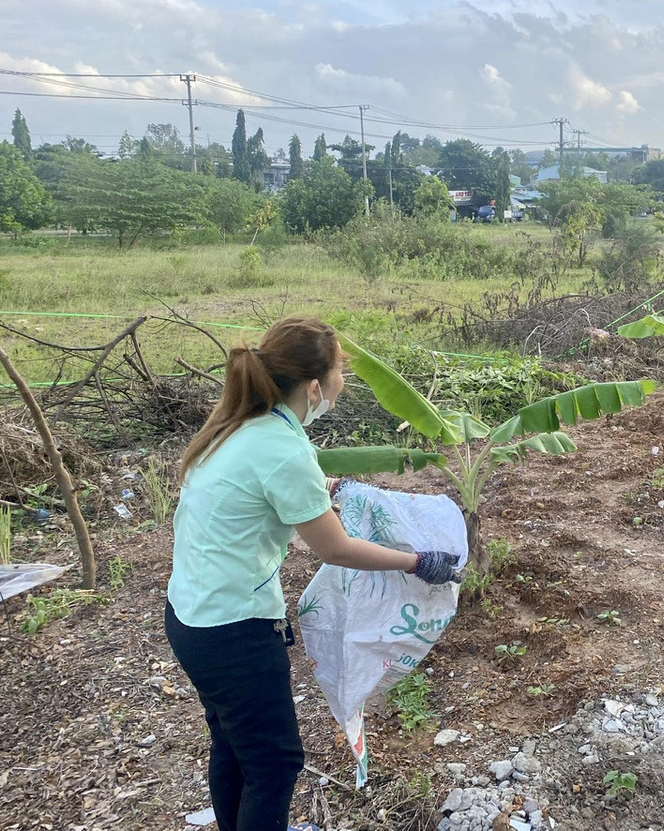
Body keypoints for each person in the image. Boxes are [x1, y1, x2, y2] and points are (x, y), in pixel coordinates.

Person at [165, 316, 458, 831]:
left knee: (234, 745)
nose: (346, 379)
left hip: (192, 618)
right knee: (274, 765)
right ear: (316, 385)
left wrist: (336, 486)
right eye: (343, 369)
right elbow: (335, 548)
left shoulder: (240, 425)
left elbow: (273, 489)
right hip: (233, 631)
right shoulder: (282, 448)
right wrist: (417, 561)